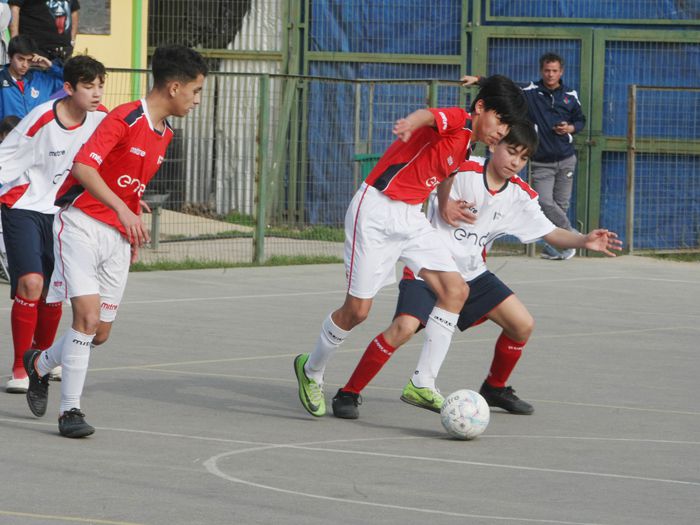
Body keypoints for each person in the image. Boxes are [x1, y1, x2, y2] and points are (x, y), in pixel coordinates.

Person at [331, 121, 622, 419]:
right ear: (494, 145)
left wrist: (583, 240)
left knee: (522, 325)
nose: (515, 162)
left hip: (472, 273)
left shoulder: (520, 196)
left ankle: (494, 388)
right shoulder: (462, 168)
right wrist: (444, 202)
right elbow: (429, 178)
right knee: (403, 328)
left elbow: (548, 232)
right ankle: (349, 392)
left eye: (523, 157)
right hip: (428, 268)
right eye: (511, 151)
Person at [294, 75, 529, 418]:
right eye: (501, 120)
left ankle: (423, 382)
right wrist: (411, 122)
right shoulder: (459, 121)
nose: (503, 131)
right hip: (375, 211)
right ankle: (311, 369)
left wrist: (446, 204)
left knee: (455, 290)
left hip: (410, 216)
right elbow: (432, 116)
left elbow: (446, 171)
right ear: (480, 108)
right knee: (357, 311)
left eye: (508, 125)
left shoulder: (467, 143)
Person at [22, 44, 207, 438]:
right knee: (85, 320)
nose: (196, 100)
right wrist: (121, 210)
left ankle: (39, 363)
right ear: (174, 87)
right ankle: (69, 411)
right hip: (81, 225)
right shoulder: (125, 117)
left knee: (98, 333)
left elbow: (126, 185)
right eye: (196, 91)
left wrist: (131, 213)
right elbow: (84, 167)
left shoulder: (165, 134)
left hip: (117, 239)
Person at [0, 54, 106, 394]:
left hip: (62, 212)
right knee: (31, 284)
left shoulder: (101, 119)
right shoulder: (41, 119)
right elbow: (5, 160)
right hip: (23, 205)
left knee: (53, 294)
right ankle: (19, 367)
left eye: (100, 86)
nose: (97, 93)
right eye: (88, 87)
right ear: (68, 88)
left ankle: (41, 362)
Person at [462, 53, 586, 260]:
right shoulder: (531, 92)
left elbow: (580, 120)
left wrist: (571, 127)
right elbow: (506, 87)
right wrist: (479, 80)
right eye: (547, 70)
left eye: (555, 71)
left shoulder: (570, 95)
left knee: (561, 205)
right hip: (542, 161)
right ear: (541, 71)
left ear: (561, 72)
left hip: (565, 158)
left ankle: (555, 247)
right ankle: (570, 236)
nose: (550, 74)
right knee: (545, 202)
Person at [0, 34, 64, 120]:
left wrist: (51, 66)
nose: (25, 65)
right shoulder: (1, 80)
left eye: (29, 60)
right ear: (10, 57)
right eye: (20, 59)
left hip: (39, 132)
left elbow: (69, 80)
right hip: (10, 133)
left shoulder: (40, 79)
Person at [9, 0, 79, 61]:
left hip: (63, 52)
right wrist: (15, 44)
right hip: (34, 51)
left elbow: (73, 11)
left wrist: (72, 41)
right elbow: (14, 8)